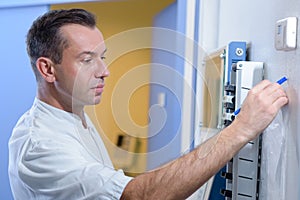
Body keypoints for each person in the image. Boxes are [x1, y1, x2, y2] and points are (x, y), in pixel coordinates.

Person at [8, 8, 288, 200]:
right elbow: (138, 195)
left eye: (102, 57)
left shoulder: (73, 111)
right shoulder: (41, 146)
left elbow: (116, 185)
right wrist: (241, 130)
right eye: (87, 59)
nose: (104, 70)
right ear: (47, 69)